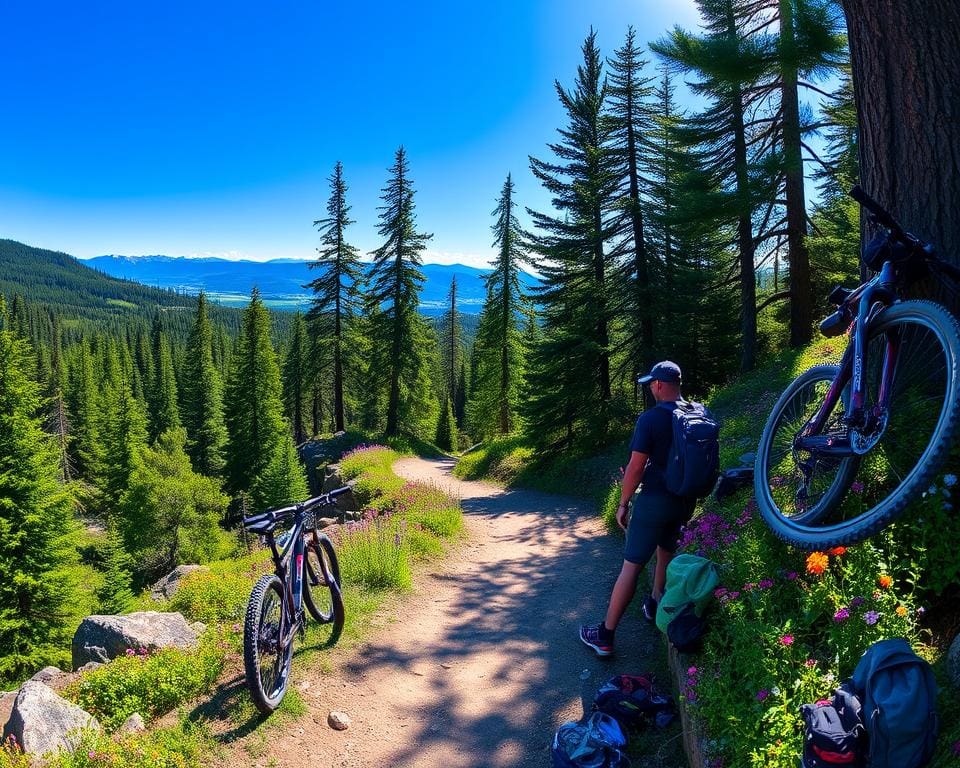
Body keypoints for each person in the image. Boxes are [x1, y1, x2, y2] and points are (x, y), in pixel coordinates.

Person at [579, 360, 696, 657]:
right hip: (685, 500)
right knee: (666, 551)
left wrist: (623, 503)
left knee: (631, 566)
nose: (650, 389)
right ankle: (656, 602)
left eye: (650, 385)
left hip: (654, 501)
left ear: (658, 385)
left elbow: (635, 466)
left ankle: (605, 635)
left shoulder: (651, 418)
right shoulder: (698, 412)